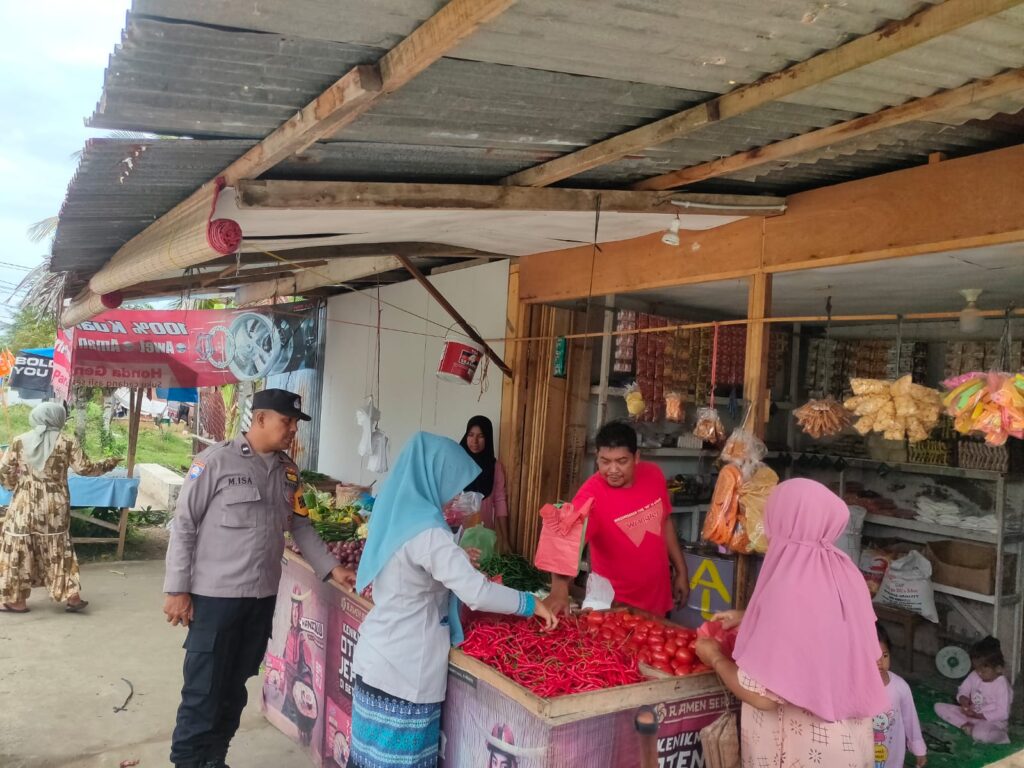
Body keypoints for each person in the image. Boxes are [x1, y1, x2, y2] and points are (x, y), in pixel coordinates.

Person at [162, 388, 355, 768]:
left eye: (296, 423)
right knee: (203, 693)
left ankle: (214, 760)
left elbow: (301, 526)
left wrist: (333, 567)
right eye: (287, 421)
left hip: (260, 599)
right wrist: (177, 589)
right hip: (215, 599)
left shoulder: (289, 472)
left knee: (234, 691)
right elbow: (184, 525)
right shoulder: (215, 462)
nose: (293, 430)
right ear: (261, 418)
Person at [350, 432, 557, 768]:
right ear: (434, 477)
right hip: (405, 670)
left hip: (377, 658)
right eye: (453, 484)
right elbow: (477, 592)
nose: (457, 495)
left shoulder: (396, 515)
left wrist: (457, 555)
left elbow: (414, 569)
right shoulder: (429, 533)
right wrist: (531, 603)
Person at [695, 479, 887, 768]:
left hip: (800, 753)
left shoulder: (786, 586)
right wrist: (752, 616)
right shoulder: (846, 573)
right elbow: (825, 624)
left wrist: (715, 658)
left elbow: (763, 698)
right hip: (847, 746)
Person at [543, 421, 688, 617]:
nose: (613, 470)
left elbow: (665, 522)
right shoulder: (590, 495)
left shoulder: (654, 475)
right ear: (597, 457)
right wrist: (559, 590)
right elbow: (565, 539)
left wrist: (681, 571)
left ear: (636, 457)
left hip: (658, 598)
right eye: (605, 461)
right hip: (614, 606)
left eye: (621, 461)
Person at [0, 402, 119, 613]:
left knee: (19, 548)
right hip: (55, 506)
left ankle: (17, 601)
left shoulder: (19, 441)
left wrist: (12, 485)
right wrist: (109, 463)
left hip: (23, 505)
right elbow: (85, 469)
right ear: (58, 418)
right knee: (59, 548)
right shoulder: (67, 442)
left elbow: (4, 472)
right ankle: (72, 596)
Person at [934, 636, 1012, 744]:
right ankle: (966, 725)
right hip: (971, 715)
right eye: (976, 669)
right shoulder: (974, 675)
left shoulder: (1001, 684)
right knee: (939, 707)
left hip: (992, 721)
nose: (979, 673)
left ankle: (1001, 736)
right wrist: (963, 700)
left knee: (980, 734)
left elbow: (1003, 713)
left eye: (983, 671)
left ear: (998, 668)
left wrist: (978, 715)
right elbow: (963, 689)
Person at [875, 623, 927, 768]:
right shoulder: (854, 688)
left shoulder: (899, 686)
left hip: (892, 754)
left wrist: (918, 749)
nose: (879, 662)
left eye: (884, 655)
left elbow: (910, 719)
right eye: (872, 656)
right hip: (861, 755)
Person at [459, 416, 510, 548]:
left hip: (484, 534)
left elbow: (500, 500)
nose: (475, 441)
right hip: (457, 534)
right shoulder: (456, 463)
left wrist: (505, 540)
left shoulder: (495, 467)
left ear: (488, 438)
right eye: (471, 435)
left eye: (481, 436)